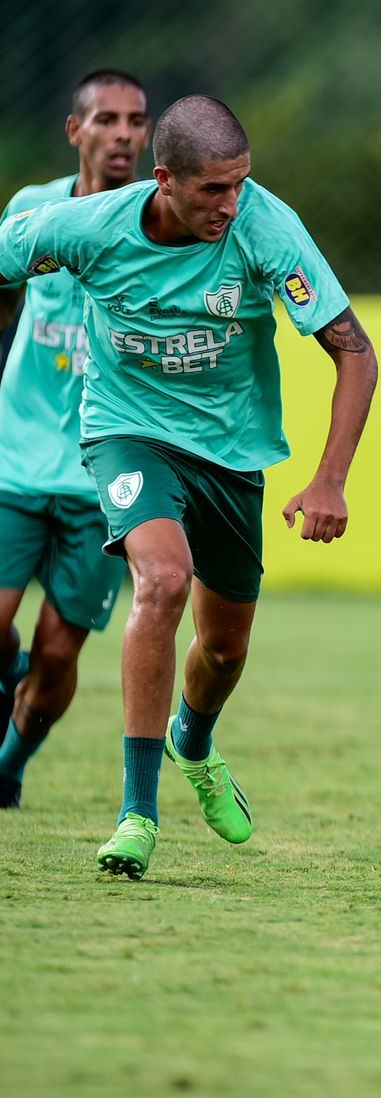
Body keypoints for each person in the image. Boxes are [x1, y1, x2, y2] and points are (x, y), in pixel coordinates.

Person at [0, 95, 378, 878]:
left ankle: (193, 741)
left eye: (240, 184)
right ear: (163, 179)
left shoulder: (265, 228)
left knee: (225, 648)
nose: (230, 204)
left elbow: (356, 353)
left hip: (232, 455)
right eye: (213, 189)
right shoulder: (86, 227)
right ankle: (137, 812)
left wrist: (329, 479)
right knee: (162, 582)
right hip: (126, 432)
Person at [0, 69, 150, 808]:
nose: (122, 134)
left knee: (57, 656)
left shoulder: (160, 226)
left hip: (102, 478)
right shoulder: (33, 212)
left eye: (136, 121)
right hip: (15, 463)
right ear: (76, 130)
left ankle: (10, 762)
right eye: (107, 120)